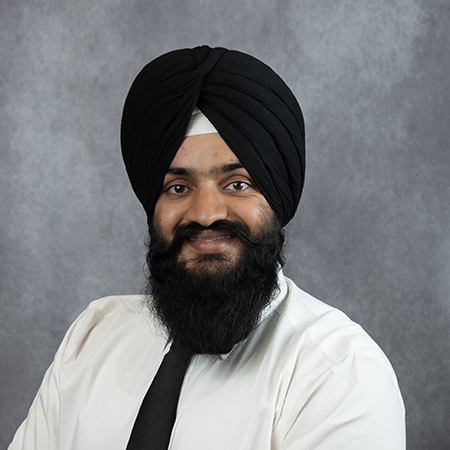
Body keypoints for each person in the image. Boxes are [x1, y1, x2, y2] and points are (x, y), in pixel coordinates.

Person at [9, 45, 405, 449]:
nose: (205, 213)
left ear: (276, 200)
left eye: (237, 184)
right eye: (178, 188)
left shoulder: (338, 374)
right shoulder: (93, 338)